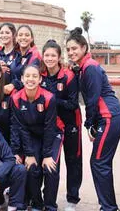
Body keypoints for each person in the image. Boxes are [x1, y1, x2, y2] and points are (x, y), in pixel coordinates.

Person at [66, 27, 120, 211]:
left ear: (84, 48)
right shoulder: (84, 68)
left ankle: (109, 208)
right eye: (68, 49)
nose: (71, 52)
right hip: (108, 117)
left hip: (108, 117)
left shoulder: (90, 67)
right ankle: (108, 206)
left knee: (99, 162)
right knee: (101, 162)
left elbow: (92, 100)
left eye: (74, 48)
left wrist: (89, 124)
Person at [10, 65, 62, 211]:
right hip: (31, 134)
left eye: (34, 76)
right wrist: (30, 154)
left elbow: (50, 127)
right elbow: (20, 127)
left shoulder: (48, 97)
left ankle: (50, 206)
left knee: (50, 168)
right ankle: (37, 204)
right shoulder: (16, 98)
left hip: (52, 134)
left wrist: (46, 155)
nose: (30, 79)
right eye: (27, 76)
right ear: (22, 79)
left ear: (40, 79)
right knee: (31, 167)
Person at [41, 40, 82, 211]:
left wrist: (50, 100)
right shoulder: (40, 76)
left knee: (73, 162)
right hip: (52, 127)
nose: (49, 58)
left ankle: (72, 199)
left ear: (59, 57)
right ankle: (48, 199)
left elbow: (73, 103)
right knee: (51, 163)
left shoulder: (68, 76)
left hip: (71, 124)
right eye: (47, 55)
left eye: (53, 55)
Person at [7, 25, 42, 92]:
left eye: (27, 35)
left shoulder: (35, 55)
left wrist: (14, 84)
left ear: (31, 39)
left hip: (28, 94)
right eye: (20, 35)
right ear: (16, 38)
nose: (23, 37)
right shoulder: (16, 53)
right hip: (13, 92)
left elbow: (30, 77)